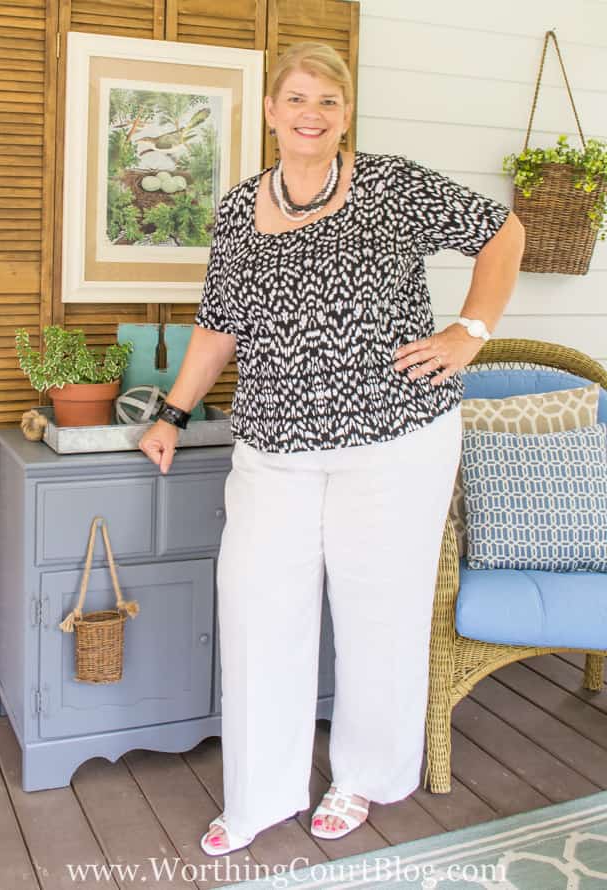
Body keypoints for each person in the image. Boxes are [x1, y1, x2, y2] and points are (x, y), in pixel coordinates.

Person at [139, 42, 525, 855]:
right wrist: (171, 412)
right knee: (255, 611)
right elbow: (219, 327)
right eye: (299, 99)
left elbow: (504, 232)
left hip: (397, 437)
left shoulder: (390, 185)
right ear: (273, 112)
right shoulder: (240, 208)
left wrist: (469, 331)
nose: (313, 114)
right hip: (275, 445)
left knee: (379, 613)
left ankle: (364, 777)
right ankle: (256, 797)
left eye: (329, 102)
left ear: (345, 116)